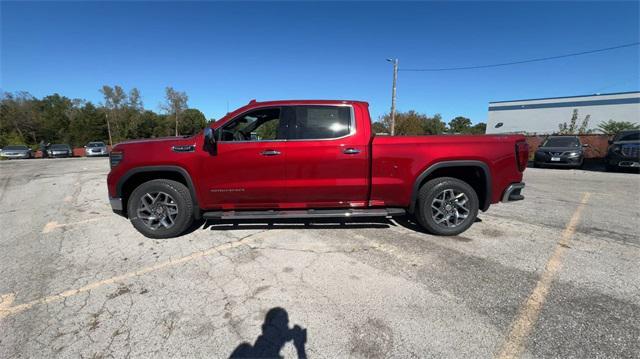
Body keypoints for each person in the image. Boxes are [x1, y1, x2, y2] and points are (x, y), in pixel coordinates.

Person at [230, 307, 307, 358]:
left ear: (263, 327)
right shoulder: (243, 350)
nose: (286, 328)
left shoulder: (243, 350)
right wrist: (300, 347)